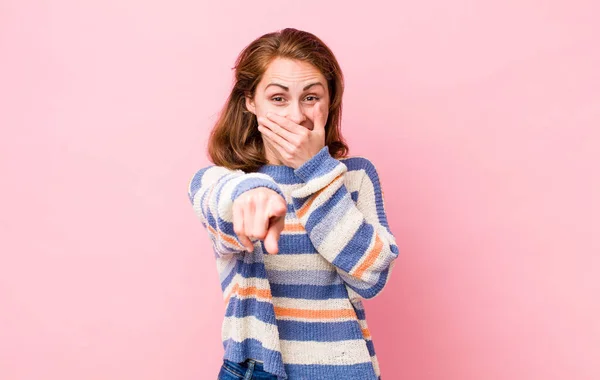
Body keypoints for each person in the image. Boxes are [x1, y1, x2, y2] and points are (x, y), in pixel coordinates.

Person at [187, 28, 399, 380]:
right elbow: (219, 203)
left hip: (344, 369)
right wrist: (251, 192)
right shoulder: (222, 182)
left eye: (311, 97)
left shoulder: (354, 178)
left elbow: (371, 277)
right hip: (256, 370)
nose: (297, 116)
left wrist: (315, 169)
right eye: (279, 99)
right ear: (250, 102)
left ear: (330, 102)